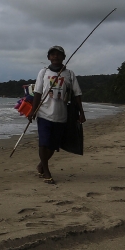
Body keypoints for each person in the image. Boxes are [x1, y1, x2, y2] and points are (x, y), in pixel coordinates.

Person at [28, 46, 86, 185]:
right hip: (44, 113)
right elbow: (37, 92)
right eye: (52, 55)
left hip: (61, 115)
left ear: (64, 57)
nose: (55, 57)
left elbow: (77, 94)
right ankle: (47, 172)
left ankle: (42, 164)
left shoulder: (69, 74)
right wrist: (33, 111)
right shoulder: (43, 72)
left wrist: (81, 112)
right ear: (48, 57)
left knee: (53, 145)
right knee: (44, 143)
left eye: (58, 55)